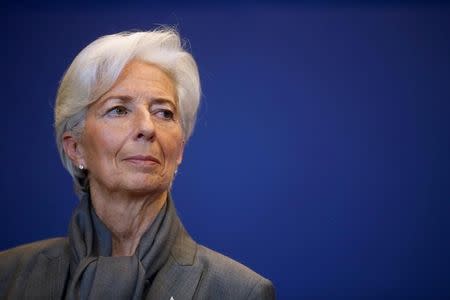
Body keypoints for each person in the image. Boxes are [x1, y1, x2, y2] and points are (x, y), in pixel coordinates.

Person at [0, 28, 275, 299]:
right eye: (118, 109)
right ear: (75, 148)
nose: (147, 127)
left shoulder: (239, 291)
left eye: (163, 113)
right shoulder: (7, 275)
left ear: (179, 149)